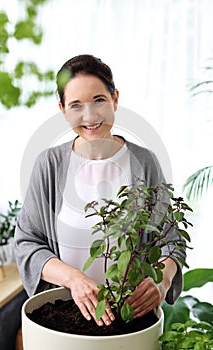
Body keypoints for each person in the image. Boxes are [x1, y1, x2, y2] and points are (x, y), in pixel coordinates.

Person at [14, 54, 186, 327]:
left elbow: (170, 240)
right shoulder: (49, 164)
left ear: (115, 98)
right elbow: (28, 243)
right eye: (76, 105)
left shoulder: (144, 161)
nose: (90, 115)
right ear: (62, 109)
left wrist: (161, 281)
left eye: (99, 100)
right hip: (67, 313)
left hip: (130, 314)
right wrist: (74, 279)